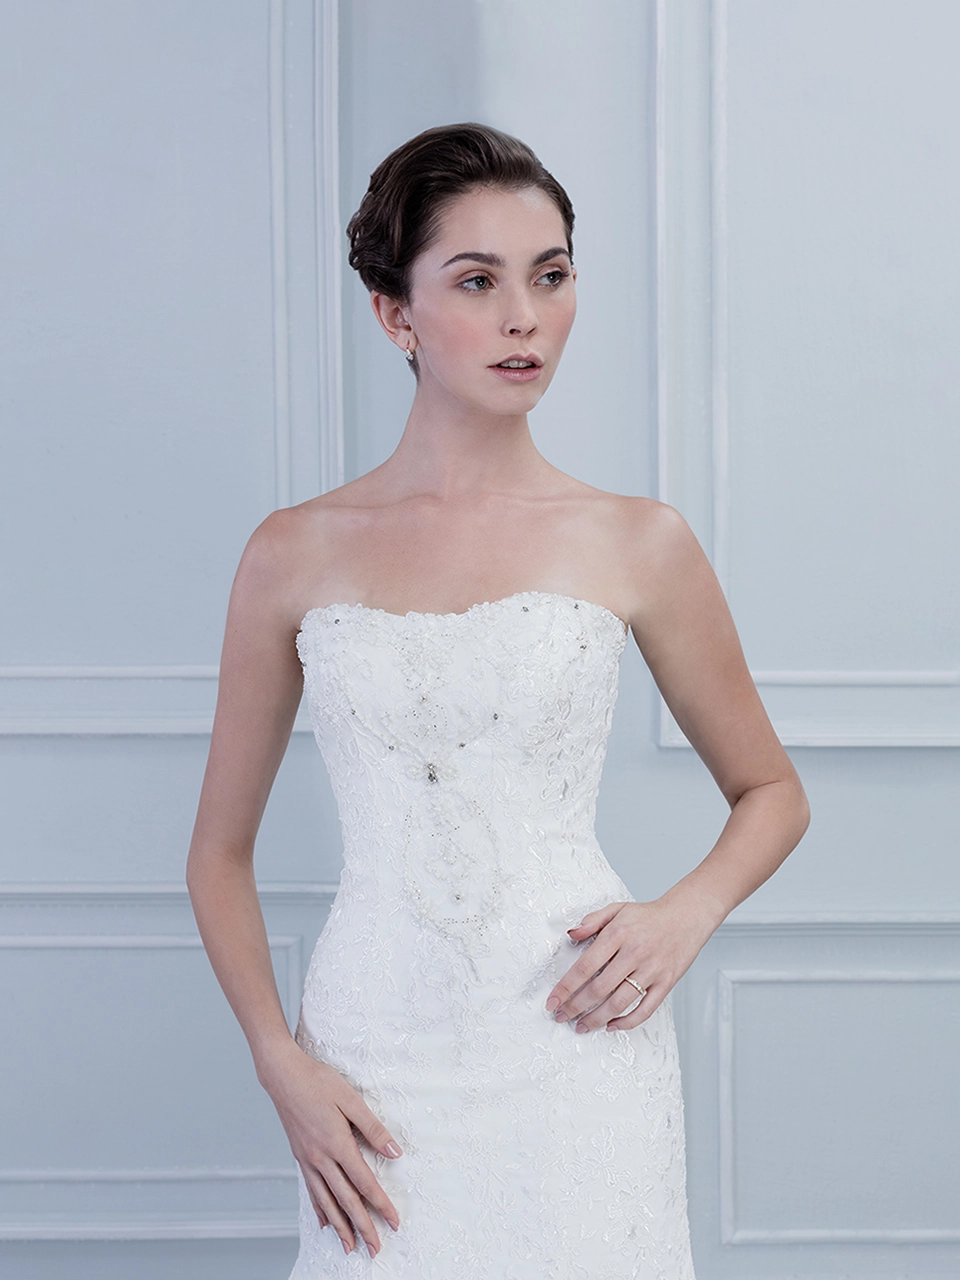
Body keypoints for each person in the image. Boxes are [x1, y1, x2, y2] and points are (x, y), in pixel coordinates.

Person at [186, 122, 809, 1279]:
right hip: (373, 1055)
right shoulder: (292, 552)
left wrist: (683, 914)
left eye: (551, 275)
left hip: (576, 1037)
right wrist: (279, 1058)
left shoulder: (638, 540)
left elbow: (772, 788)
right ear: (396, 314)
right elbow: (217, 853)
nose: (526, 316)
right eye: (478, 280)